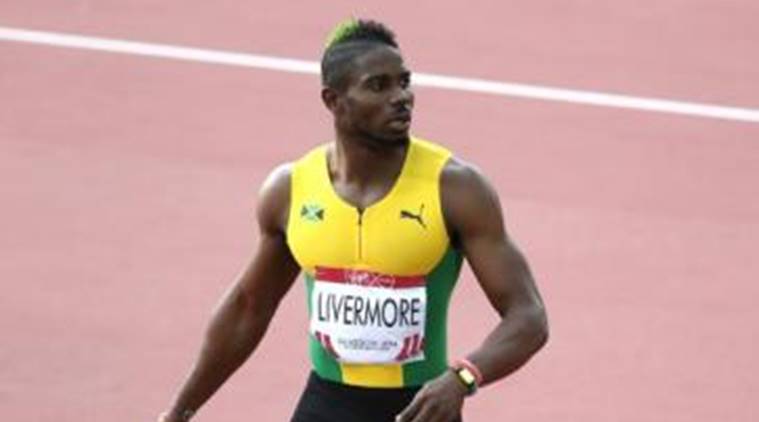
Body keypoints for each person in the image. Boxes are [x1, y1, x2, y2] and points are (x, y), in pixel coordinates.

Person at [158, 18, 548, 422]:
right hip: (326, 405)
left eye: (404, 82)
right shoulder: (291, 190)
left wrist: (463, 377)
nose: (401, 97)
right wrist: (178, 412)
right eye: (379, 86)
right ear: (333, 100)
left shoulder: (454, 188)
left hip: (421, 408)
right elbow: (248, 308)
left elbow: (528, 315)